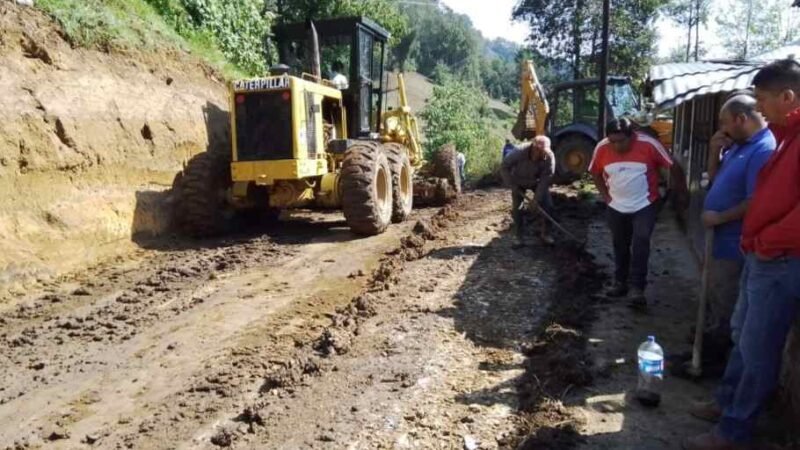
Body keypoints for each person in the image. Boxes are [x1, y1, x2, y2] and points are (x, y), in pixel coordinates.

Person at [684, 59, 800, 450]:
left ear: (787, 97)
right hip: (761, 255)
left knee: (758, 347)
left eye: (762, 99)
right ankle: (726, 403)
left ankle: (735, 431)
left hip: (779, 259)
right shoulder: (784, 138)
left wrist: (766, 242)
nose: (759, 108)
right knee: (743, 336)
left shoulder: (781, 141)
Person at [683, 94, 774, 376]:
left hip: (734, 244)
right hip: (717, 240)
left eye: (724, 122)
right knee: (714, 298)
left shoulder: (764, 150)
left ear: (741, 119)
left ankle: (713, 363)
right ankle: (704, 349)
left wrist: (720, 217)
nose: (721, 129)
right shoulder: (739, 146)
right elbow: (716, 180)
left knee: (727, 305)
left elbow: (756, 201)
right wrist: (714, 152)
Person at [589, 118, 688, 308]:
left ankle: (637, 288)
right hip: (616, 205)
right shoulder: (602, 148)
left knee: (641, 241)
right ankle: (620, 282)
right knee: (620, 243)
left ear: (631, 136)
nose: (617, 146)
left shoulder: (649, 145)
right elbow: (595, 173)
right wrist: (606, 197)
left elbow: (673, 166)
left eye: (621, 141)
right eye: (613, 142)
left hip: (645, 204)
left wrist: (681, 193)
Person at [500, 136, 555, 248]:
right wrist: (512, 185)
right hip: (518, 181)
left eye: (544, 151)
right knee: (517, 208)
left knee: (548, 205)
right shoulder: (519, 152)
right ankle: (518, 236)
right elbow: (504, 167)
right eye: (540, 151)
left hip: (537, 182)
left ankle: (546, 234)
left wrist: (536, 199)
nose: (542, 154)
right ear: (534, 148)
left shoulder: (549, 157)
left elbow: (546, 179)